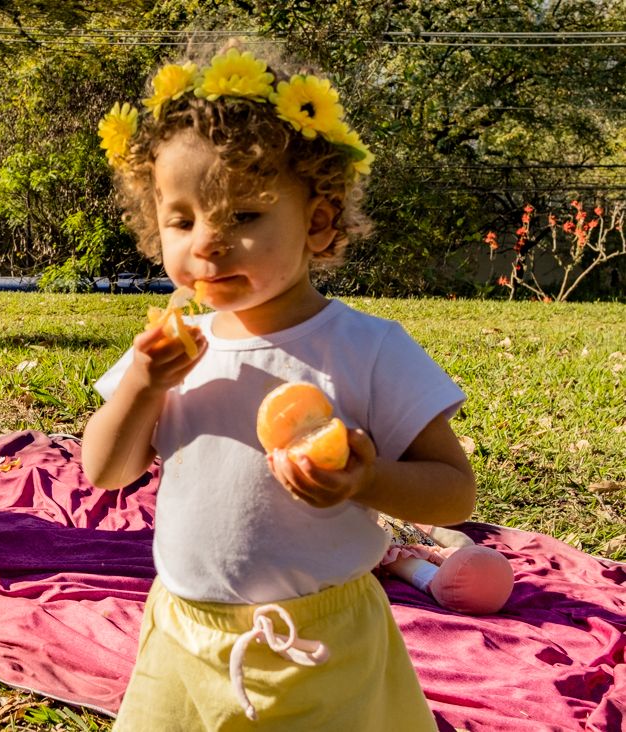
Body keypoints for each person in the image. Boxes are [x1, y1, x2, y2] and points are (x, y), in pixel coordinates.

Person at [83, 43, 476, 730]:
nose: (207, 242)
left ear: (317, 222)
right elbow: (106, 470)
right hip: (183, 637)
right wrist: (143, 385)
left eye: (243, 216)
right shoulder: (169, 351)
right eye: (183, 219)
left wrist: (366, 480)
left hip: (324, 647)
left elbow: (454, 491)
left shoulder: (367, 349)